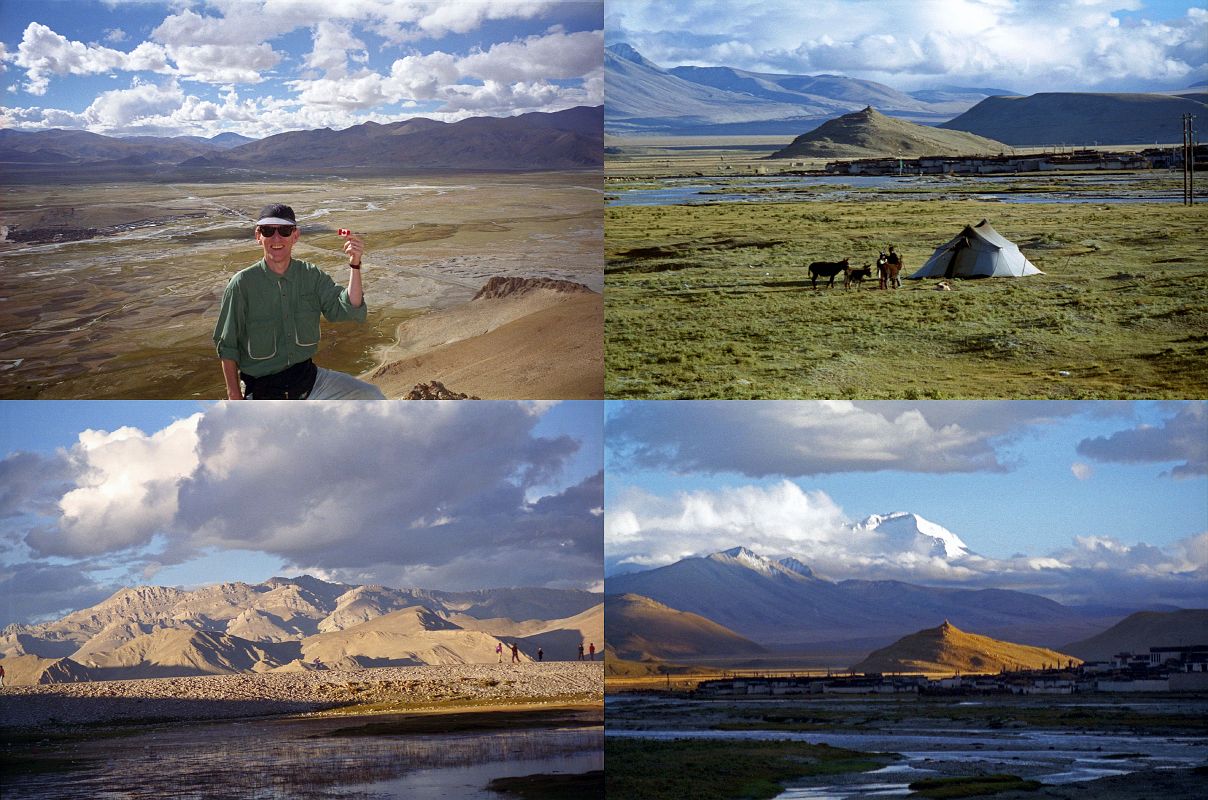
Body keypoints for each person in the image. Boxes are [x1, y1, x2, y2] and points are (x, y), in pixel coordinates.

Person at [213, 203, 386, 400]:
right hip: (264, 392)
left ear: (295, 236)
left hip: (311, 382)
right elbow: (227, 346)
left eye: (285, 231)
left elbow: (348, 307)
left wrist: (355, 264)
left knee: (371, 397)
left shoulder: (311, 276)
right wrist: (234, 397)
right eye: (268, 231)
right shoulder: (241, 285)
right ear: (258, 236)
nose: (276, 238)